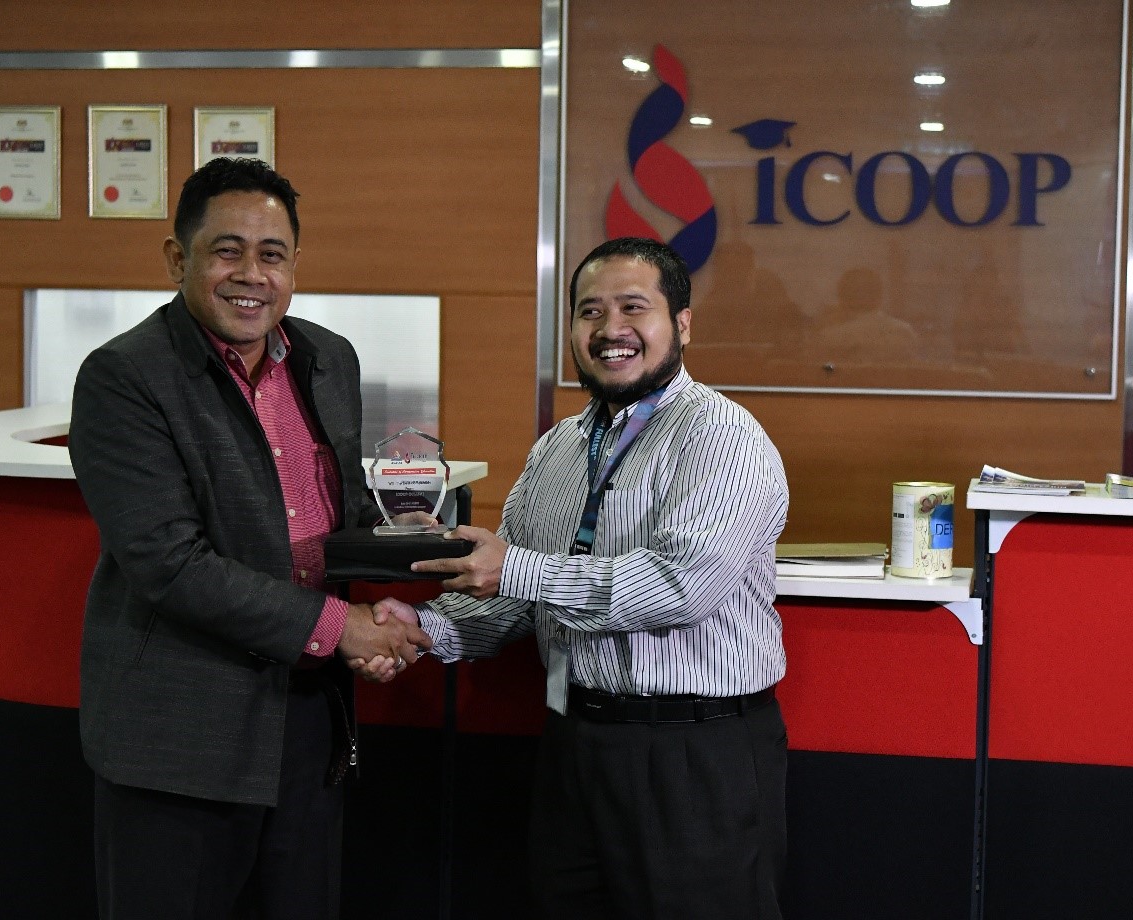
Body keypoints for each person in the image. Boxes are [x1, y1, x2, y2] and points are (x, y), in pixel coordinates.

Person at [368, 237, 791, 920]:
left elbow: (681, 587)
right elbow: (516, 597)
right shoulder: (558, 447)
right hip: (574, 745)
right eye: (590, 312)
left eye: (633, 308)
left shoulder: (721, 437)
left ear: (682, 324)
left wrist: (518, 568)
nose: (609, 329)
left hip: (691, 754)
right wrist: (423, 628)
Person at [68, 156, 430, 920]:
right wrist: (342, 627)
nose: (251, 276)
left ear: (294, 265)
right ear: (178, 258)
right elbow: (170, 564)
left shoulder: (327, 358)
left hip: (305, 716)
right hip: (180, 737)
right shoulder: (124, 376)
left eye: (272, 254)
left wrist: (399, 548)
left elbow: (331, 515)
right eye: (225, 251)